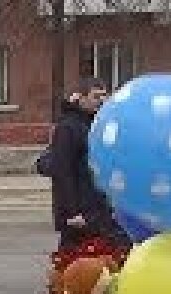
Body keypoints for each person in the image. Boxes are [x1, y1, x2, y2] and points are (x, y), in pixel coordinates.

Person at [49, 79, 126, 251]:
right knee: (78, 265)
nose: (101, 101)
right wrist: (72, 212)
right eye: (96, 96)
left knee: (114, 257)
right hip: (80, 213)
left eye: (104, 96)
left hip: (102, 208)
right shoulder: (68, 127)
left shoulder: (101, 125)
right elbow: (63, 173)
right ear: (81, 99)